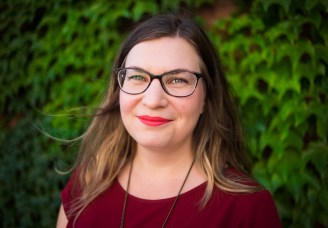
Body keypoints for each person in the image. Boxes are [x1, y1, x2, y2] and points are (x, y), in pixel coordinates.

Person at [56, 13, 282, 228]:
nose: (153, 100)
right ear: (119, 89)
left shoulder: (248, 208)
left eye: (177, 80)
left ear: (207, 98)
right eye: (136, 76)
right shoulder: (87, 184)